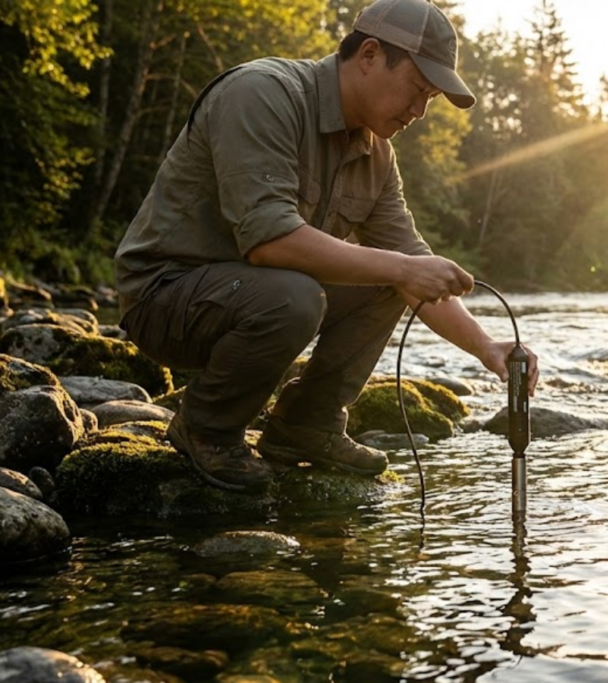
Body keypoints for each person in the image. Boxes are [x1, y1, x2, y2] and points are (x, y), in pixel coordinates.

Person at [113, 0, 539, 493]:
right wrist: (401, 268)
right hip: (164, 297)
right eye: (419, 90)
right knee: (315, 290)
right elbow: (269, 242)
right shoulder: (263, 93)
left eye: (432, 100)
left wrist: (488, 348)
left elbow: (414, 269)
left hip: (250, 297)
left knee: (391, 279)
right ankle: (206, 427)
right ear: (371, 54)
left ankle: (306, 425)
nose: (421, 111)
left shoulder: (377, 155)